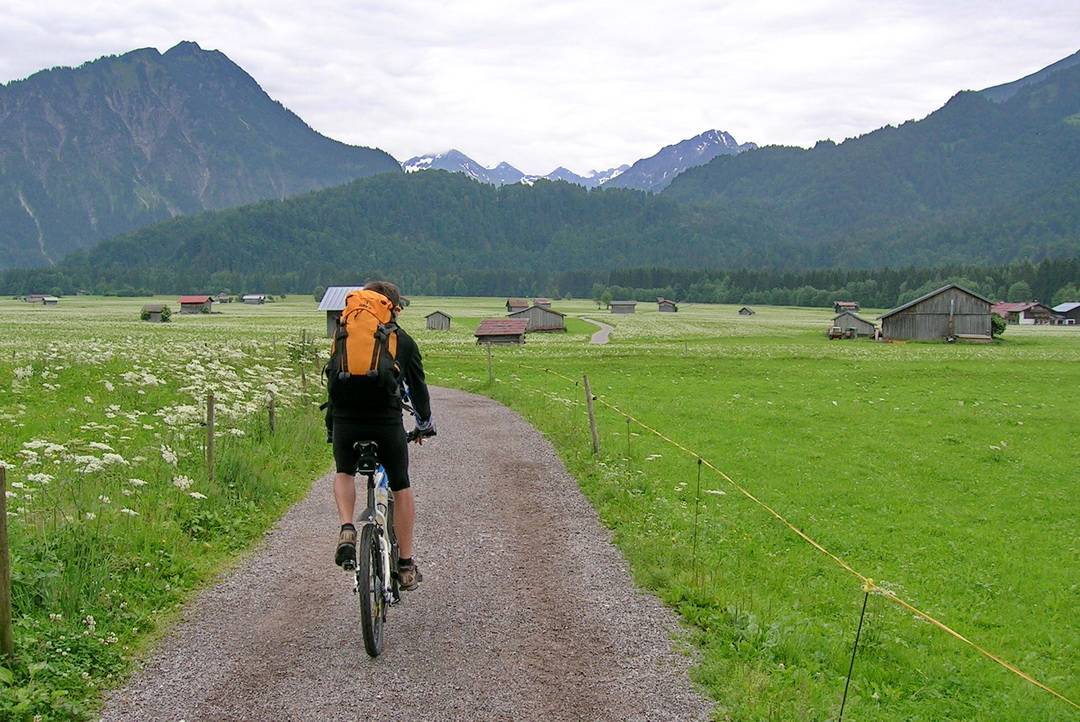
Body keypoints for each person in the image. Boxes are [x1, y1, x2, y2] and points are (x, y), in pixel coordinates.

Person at [328, 281, 434, 590]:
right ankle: (405, 565)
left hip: (346, 421)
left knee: (344, 471)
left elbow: (333, 382)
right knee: (401, 485)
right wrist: (425, 424)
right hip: (385, 423)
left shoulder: (344, 334)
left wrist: (331, 425)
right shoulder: (403, 340)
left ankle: (347, 528)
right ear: (393, 309)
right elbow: (418, 390)